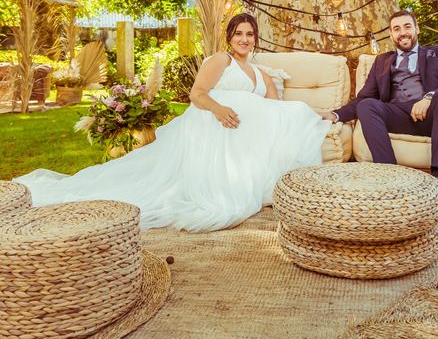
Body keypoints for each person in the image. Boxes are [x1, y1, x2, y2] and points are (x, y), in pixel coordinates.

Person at [15, 13, 331, 232]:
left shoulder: (262, 73)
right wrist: (219, 109)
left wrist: (315, 114)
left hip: (244, 133)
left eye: (250, 35)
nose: (245, 39)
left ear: (256, 39)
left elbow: (276, 108)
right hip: (214, 123)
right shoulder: (221, 60)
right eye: (239, 34)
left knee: (296, 114)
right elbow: (197, 94)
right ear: (230, 37)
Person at [321, 9, 438, 190]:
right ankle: (392, 178)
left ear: (417, 29)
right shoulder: (382, 61)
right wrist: (335, 114)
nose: (403, 33)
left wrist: (428, 98)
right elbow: (364, 97)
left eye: (407, 27)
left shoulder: (437, 52)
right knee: (367, 105)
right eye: (397, 29)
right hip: (399, 116)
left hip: (435, 116)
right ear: (392, 35)